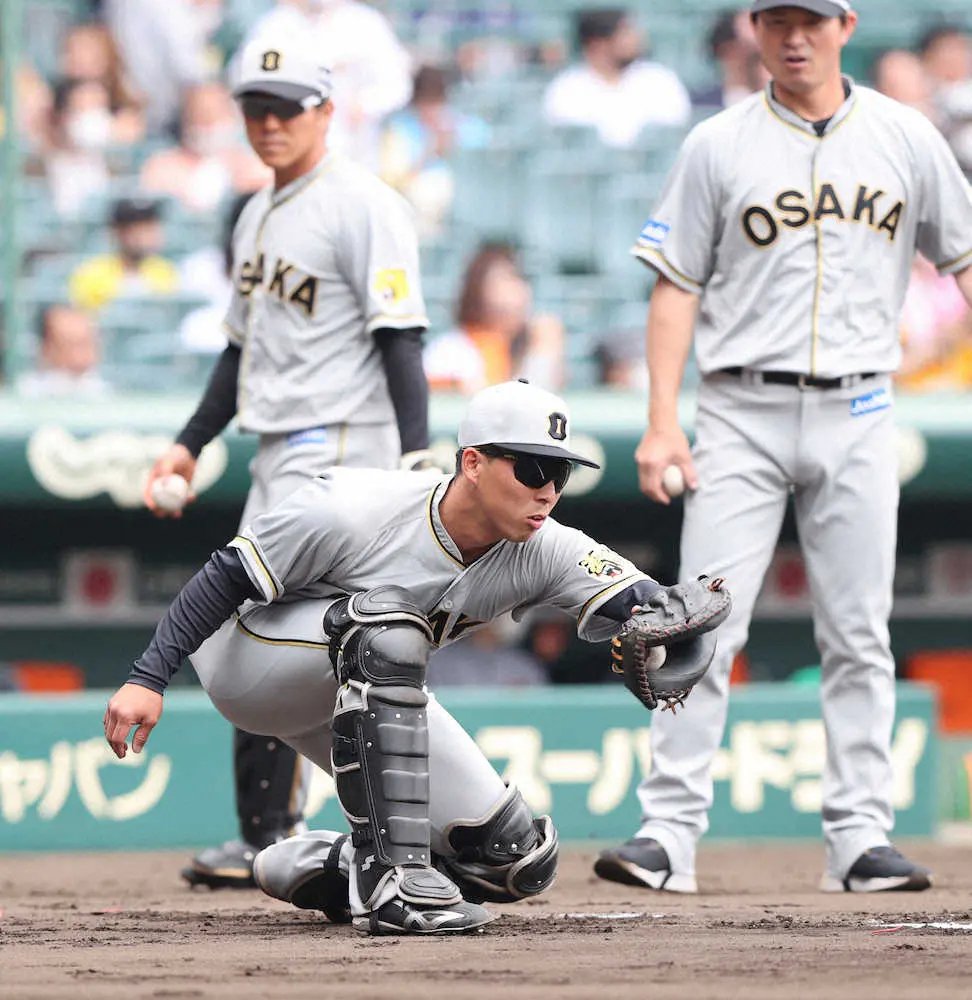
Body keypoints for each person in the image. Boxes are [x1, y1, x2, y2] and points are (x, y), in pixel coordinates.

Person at [103, 379, 720, 934]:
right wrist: (147, 677)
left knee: (513, 858)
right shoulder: (354, 506)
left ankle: (332, 861)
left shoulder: (545, 545)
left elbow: (651, 603)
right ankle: (391, 882)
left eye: (562, 474)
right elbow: (225, 575)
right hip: (248, 660)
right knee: (390, 627)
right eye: (533, 469)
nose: (549, 492)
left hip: (350, 686)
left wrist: (675, 630)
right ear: (473, 463)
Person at [595, 0, 972, 896]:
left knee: (858, 632)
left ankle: (859, 837)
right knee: (700, 625)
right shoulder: (718, 144)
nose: (793, 36)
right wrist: (659, 418)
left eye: (810, 18)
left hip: (861, 407)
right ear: (755, 28)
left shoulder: (906, 136)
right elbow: (675, 287)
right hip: (739, 411)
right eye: (776, 19)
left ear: (846, 23)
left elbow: (962, 258)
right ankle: (668, 834)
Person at [141, 30, 433, 892]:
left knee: (323, 641)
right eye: (256, 110)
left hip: (346, 447)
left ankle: (385, 828)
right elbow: (239, 353)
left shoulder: (363, 203)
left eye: (286, 109)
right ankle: (266, 833)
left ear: (325, 112)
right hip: (279, 445)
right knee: (251, 636)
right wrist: (190, 443)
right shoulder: (260, 213)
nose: (269, 124)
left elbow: (400, 337)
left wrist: (416, 450)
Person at [423, 242, 566, 393]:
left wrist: (544, 351)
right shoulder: (451, 349)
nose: (516, 292)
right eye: (504, 280)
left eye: (518, 279)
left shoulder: (527, 344)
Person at [542, 7, 691, 148]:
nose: (636, 39)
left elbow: (675, 134)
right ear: (597, 43)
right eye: (625, 33)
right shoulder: (567, 88)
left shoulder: (659, 80)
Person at [139, 82, 271, 214]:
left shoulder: (256, 166)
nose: (208, 124)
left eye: (215, 114)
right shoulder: (161, 167)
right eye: (200, 115)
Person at [68, 197, 180, 312]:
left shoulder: (165, 270)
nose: (146, 235)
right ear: (118, 232)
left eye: (150, 227)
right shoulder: (91, 272)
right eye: (137, 227)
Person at [16, 304, 110, 398]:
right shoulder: (27, 394)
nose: (78, 356)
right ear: (47, 348)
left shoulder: (104, 394)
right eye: (68, 345)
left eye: (86, 343)